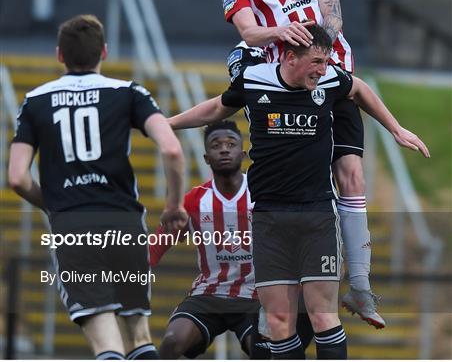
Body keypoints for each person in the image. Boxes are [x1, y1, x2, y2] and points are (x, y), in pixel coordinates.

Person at [168, 24, 430, 359]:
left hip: (316, 216)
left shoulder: (330, 81)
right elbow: (218, 107)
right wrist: (169, 123)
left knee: (322, 315)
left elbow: (360, 89)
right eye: (317, 62)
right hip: (268, 220)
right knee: (278, 322)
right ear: (291, 57)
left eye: (326, 63)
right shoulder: (254, 79)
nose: (323, 71)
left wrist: (395, 129)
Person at [220, 0, 385, 328]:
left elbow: (333, 16)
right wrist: (277, 32)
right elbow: (248, 32)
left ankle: (362, 289)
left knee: (352, 176)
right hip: (287, 94)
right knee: (287, 185)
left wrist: (318, 52)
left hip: (332, 81)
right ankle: (272, 299)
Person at [8, 14, 188, 360]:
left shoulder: (36, 101)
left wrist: (51, 203)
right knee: (139, 336)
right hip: (124, 221)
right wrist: (173, 205)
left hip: (73, 223)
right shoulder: (129, 92)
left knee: (107, 345)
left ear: (59, 55)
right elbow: (171, 148)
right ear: (103, 52)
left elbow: (16, 177)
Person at [151, 120, 313, 359]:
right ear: (207, 158)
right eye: (216, 145)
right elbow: (156, 245)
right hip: (208, 294)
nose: (224, 149)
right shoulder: (194, 201)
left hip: (256, 296)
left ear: (243, 153)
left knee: (263, 351)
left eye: (231, 144)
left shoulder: (265, 194)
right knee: (172, 342)